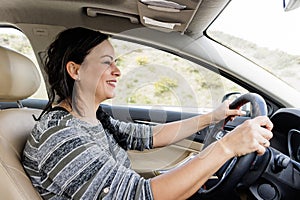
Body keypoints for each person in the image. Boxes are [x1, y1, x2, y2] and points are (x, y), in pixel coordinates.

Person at [22, 27, 273, 200]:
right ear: (75, 70)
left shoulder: (92, 119)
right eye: (106, 61)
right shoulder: (60, 137)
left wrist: (212, 117)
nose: (117, 71)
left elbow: (148, 136)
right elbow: (139, 196)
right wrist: (227, 147)